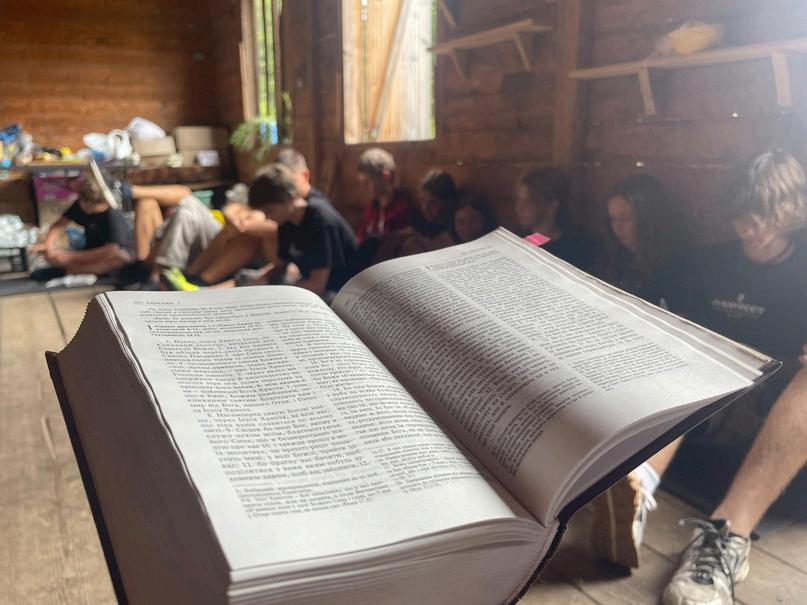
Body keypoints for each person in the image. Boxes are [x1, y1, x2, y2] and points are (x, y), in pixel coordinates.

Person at [591, 150, 807, 605]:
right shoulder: (706, 264)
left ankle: (728, 533)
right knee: (680, 354)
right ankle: (637, 488)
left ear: (789, 210)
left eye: (761, 215)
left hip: (779, 403)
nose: (748, 227)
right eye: (741, 215)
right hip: (714, 390)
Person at [246, 163, 357, 298]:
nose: (267, 217)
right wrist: (259, 284)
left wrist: (274, 297)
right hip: (310, 282)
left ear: (291, 199)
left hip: (340, 290)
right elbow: (281, 266)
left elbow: (318, 284)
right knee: (245, 278)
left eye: (270, 211)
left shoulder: (319, 220)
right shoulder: (286, 221)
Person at [29, 166, 134, 278]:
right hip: (89, 252)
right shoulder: (81, 204)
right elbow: (60, 224)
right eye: (84, 204)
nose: (85, 209)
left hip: (110, 254)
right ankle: (74, 269)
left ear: (103, 203)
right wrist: (48, 245)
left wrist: (70, 257)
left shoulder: (113, 214)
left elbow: (111, 250)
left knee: (120, 258)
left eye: (90, 207)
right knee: (54, 257)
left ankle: (73, 271)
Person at [600, 174, 678, 301]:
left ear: (646, 218)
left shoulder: (672, 267)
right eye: (613, 219)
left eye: (624, 218)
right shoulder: (614, 257)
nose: (617, 227)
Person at [514, 168, 597, 270]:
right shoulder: (517, 239)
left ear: (551, 205)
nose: (519, 208)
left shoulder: (579, 244)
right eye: (518, 200)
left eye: (529, 202)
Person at [371, 169, 458, 263]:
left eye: (432, 203)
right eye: (423, 200)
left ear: (447, 202)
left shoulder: (454, 227)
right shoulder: (420, 219)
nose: (426, 207)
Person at [355, 148, 417, 242]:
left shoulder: (403, 211)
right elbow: (359, 239)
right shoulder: (371, 210)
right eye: (361, 183)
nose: (363, 188)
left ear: (386, 177)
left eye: (367, 182)